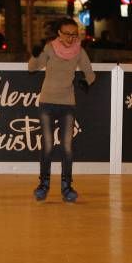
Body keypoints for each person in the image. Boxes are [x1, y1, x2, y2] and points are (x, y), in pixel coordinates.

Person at [28, 17, 96, 202]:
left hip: (67, 103)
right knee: (48, 145)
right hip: (47, 102)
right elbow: (32, 67)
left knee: (67, 147)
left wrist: (85, 81)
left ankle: (67, 187)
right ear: (59, 33)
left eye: (74, 34)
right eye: (67, 34)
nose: (71, 38)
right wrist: (35, 54)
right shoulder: (50, 48)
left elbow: (90, 73)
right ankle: (44, 185)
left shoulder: (79, 52)